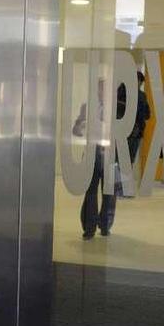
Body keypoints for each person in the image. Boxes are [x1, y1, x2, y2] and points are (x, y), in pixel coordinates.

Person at [73, 83, 116, 240]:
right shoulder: (87, 107)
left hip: (110, 153)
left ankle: (105, 226)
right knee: (91, 191)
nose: (102, 92)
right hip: (92, 151)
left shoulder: (115, 108)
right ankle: (89, 228)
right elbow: (76, 129)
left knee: (109, 193)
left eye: (105, 89)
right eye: (100, 88)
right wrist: (80, 127)